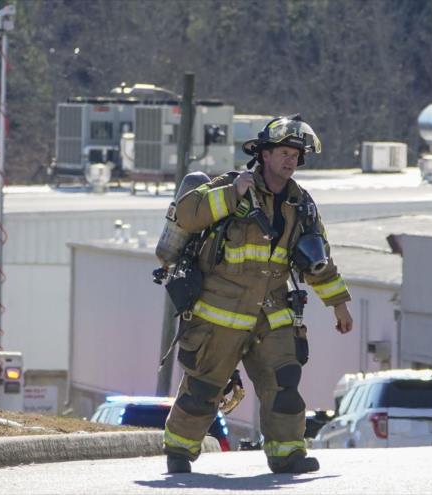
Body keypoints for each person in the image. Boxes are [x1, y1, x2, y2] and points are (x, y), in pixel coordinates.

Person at [162, 115, 353, 474]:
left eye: (296, 155)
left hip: (272, 313)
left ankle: (287, 454)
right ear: (264, 154)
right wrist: (230, 195)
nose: (290, 160)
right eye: (283, 152)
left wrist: (338, 304)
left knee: (284, 384)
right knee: (203, 388)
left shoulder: (302, 205)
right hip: (219, 312)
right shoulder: (233, 185)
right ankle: (179, 452)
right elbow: (187, 216)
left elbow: (318, 258)